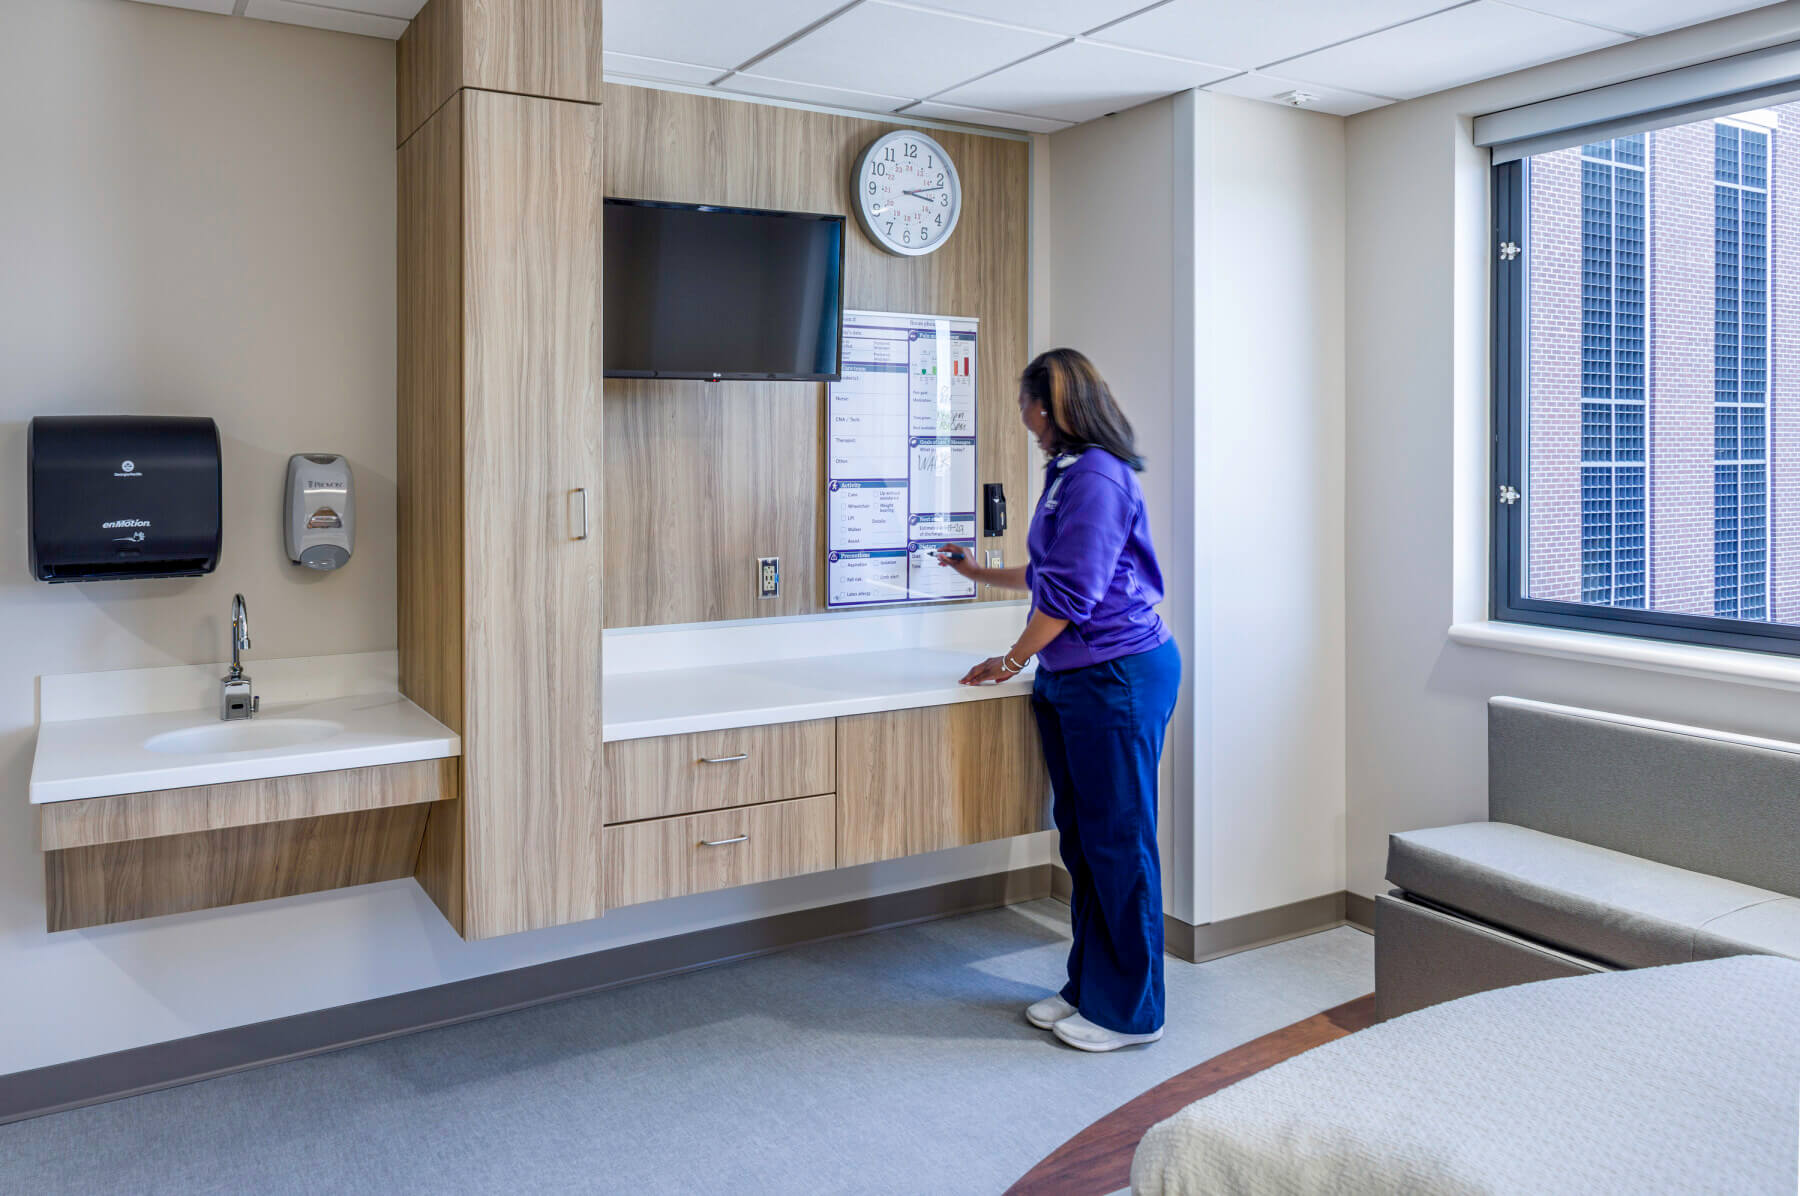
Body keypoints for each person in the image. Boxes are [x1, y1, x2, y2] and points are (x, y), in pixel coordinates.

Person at [937, 347, 1180, 1053]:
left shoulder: (1099, 478)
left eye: (1028, 403)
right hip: (1079, 677)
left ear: (1055, 404)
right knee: (1085, 840)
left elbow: (1071, 597)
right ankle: (1090, 987)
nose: (1022, 415)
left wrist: (1011, 658)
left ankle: (1133, 1012)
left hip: (1118, 676)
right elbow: (1053, 571)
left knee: (1119, 843)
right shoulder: (1066, 473)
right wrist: (980, 571)